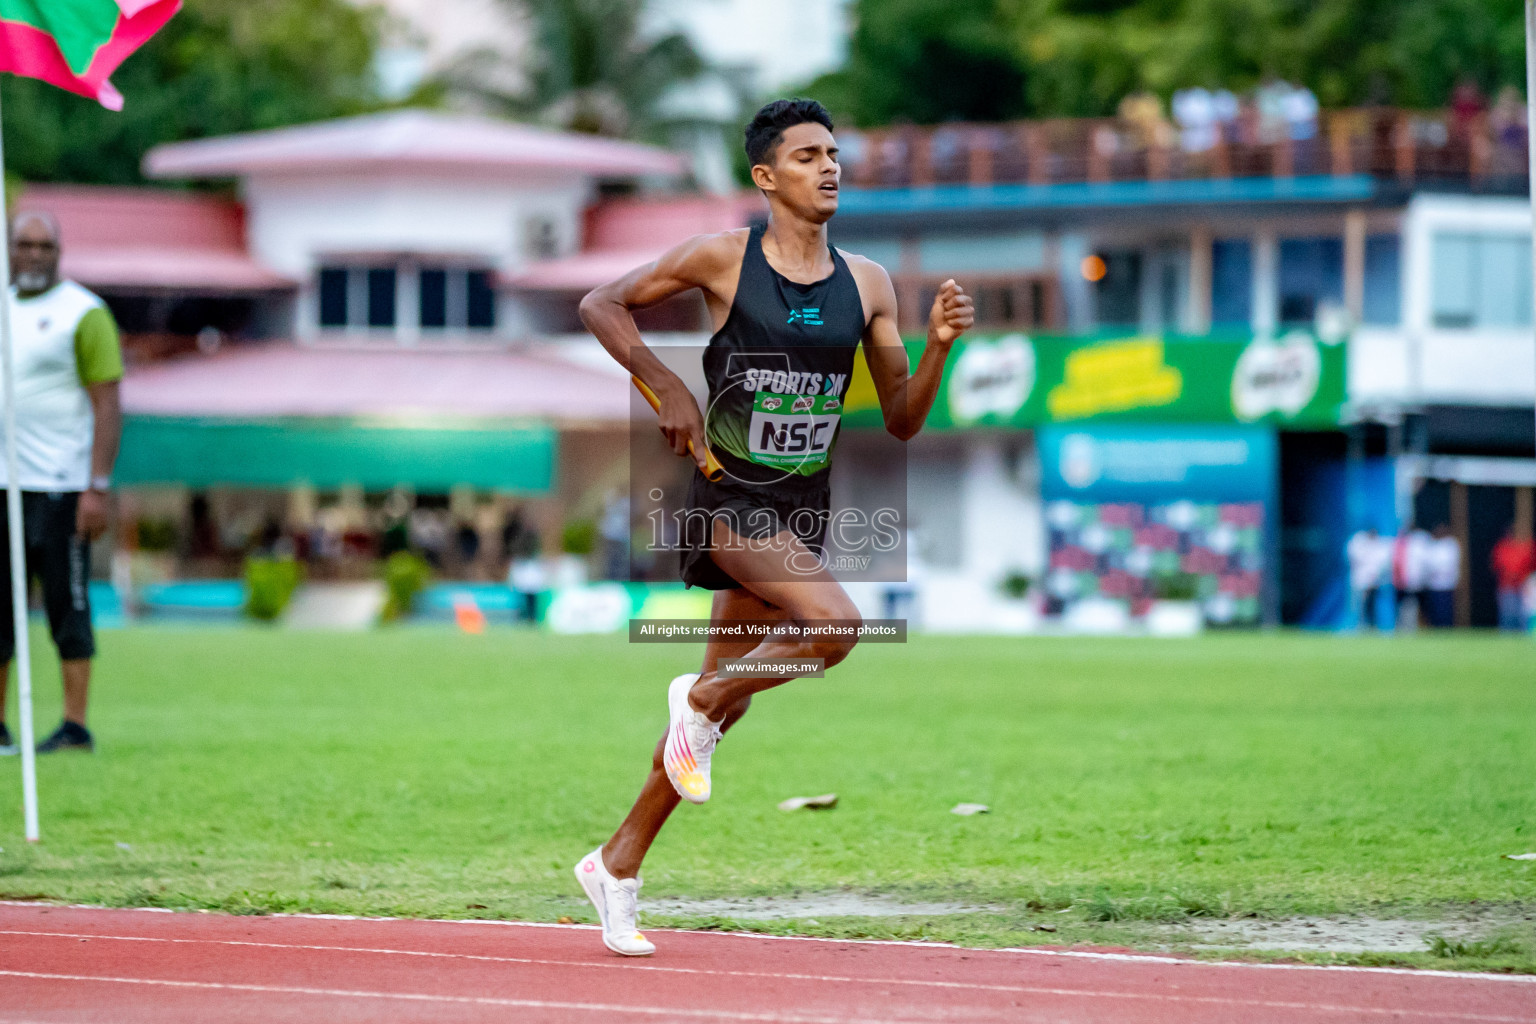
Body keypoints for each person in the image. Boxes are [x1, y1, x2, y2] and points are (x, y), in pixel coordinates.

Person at [572, 98, 973, 957]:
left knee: (716, 727)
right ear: (766, 176)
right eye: (806, 156)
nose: (828, 167)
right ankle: (701, 697)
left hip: (802, 512)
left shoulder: (868, 283)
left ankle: (617, 864)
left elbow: (901, 419)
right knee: (836, 628)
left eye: (833, 154)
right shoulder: (722, 259)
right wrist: (664, 386)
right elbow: (602, 303)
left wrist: (937, 347)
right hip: (728, 505)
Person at [0, 211, 123, 756]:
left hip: (61, 486)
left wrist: (96, 485)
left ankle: (74, 725)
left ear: (59, 251)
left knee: (66, 607)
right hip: (4, 484)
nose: (32, 255)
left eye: (43, 246)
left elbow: (107, 402)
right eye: (23, 245)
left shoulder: (83, 313)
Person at [1490, 526, 1536, 632]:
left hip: (1525, 586)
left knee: (1525, 615)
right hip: (1507, 586)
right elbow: (1497, 565)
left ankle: (1524, 638)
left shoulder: (1527, 546)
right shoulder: (1503, 547)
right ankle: (1506, 639)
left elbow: (1531, 565)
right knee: (1508, 615)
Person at [1346, 526, 1391, 631]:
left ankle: (1371, 626)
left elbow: (1381, 565)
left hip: (1373, 582)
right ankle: (1357, 626)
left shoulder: (1379, 546)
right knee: (1356, 606)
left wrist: (1374, 578)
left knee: (1370, 606)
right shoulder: (1359, 542)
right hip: (1359, 581)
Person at [1393, 522, 1432, 630]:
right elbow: (1397, 562)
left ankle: (1424, 627)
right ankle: (1402, 628)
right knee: (1402, 607)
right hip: (1404, 581)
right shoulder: (1401, 542)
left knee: (1422, 607)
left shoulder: (1421, 541)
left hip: (1419, 581)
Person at [1423, 524, 1462, 628]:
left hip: (1447, 583)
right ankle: (1435, 627)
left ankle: (1447, 627)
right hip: (1434, 584)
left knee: (1446, 609)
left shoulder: (1450, 544)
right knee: (1435, 609)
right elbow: (1428, 563)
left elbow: (1449, 564)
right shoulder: (1432, 545)